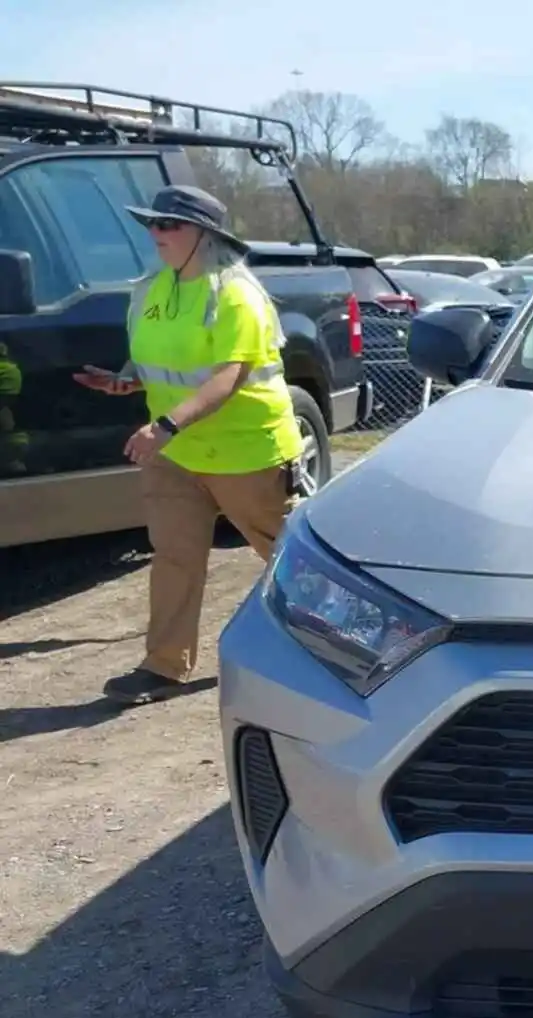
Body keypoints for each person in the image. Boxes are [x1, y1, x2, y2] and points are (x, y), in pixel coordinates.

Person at [74, 184, 302, 707]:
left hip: (246, 452)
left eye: (169, 225)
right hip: (177, 455)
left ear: (205, 235)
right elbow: (166, 365)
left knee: (290, 560)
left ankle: (326, 655)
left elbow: (227, 377)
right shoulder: (152, 289)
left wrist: (165, 427)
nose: (156, 234)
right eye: (152, 224)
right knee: (174, 557)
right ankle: (163, 666)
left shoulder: (236, 294)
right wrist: (122, 383)